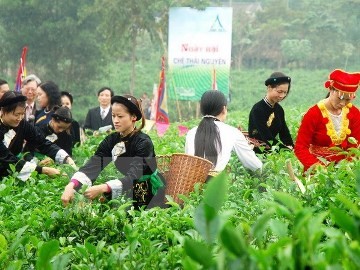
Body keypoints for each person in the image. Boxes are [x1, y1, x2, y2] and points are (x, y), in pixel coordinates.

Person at [61, 94, 165, 209]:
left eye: (120, 116)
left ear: (133, 117)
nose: (115, 121)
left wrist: (103, 188)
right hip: (128, 184)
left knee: (134, 217)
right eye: (113, 116)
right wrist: (71, 185)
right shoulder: (112, 140)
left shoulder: (143, 142)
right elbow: (94, 164)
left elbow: (135, 175)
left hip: (148, 189)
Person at [0, 91, 76, 181]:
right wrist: (44, 170)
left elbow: (41, 142)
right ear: (3, 110)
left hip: (9, 176)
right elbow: (8, 159)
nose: (19, 118)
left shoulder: (22, 124)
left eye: (22, 114)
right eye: (16, 114)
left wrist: (66, 158)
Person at [294, 69, 360, 172]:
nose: (342, 103)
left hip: (345, 169)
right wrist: (319, 168)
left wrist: (345, 167)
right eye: (339, 98)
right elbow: (300, 147)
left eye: (347, 100)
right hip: (316, 169)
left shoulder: (354, 113)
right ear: (330, 89)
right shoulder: (313, 114)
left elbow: (355, 146)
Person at [185, 90, 262, 175]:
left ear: (201, 109)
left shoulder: (191, 133)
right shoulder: (232, 132)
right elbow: (256, 166)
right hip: (216, 185)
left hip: (192, 184)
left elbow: (188, 162)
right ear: (224, 109)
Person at [248, 72, 294, 153]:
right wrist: (285, 150)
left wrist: (292, 147)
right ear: (269, 87)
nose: (282, 96)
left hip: (273, 150)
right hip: (258, 152)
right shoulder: (258, 109)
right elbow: (267, 137)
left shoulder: (279, 110)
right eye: (279, 92)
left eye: (285, 92)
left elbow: (284, 132)